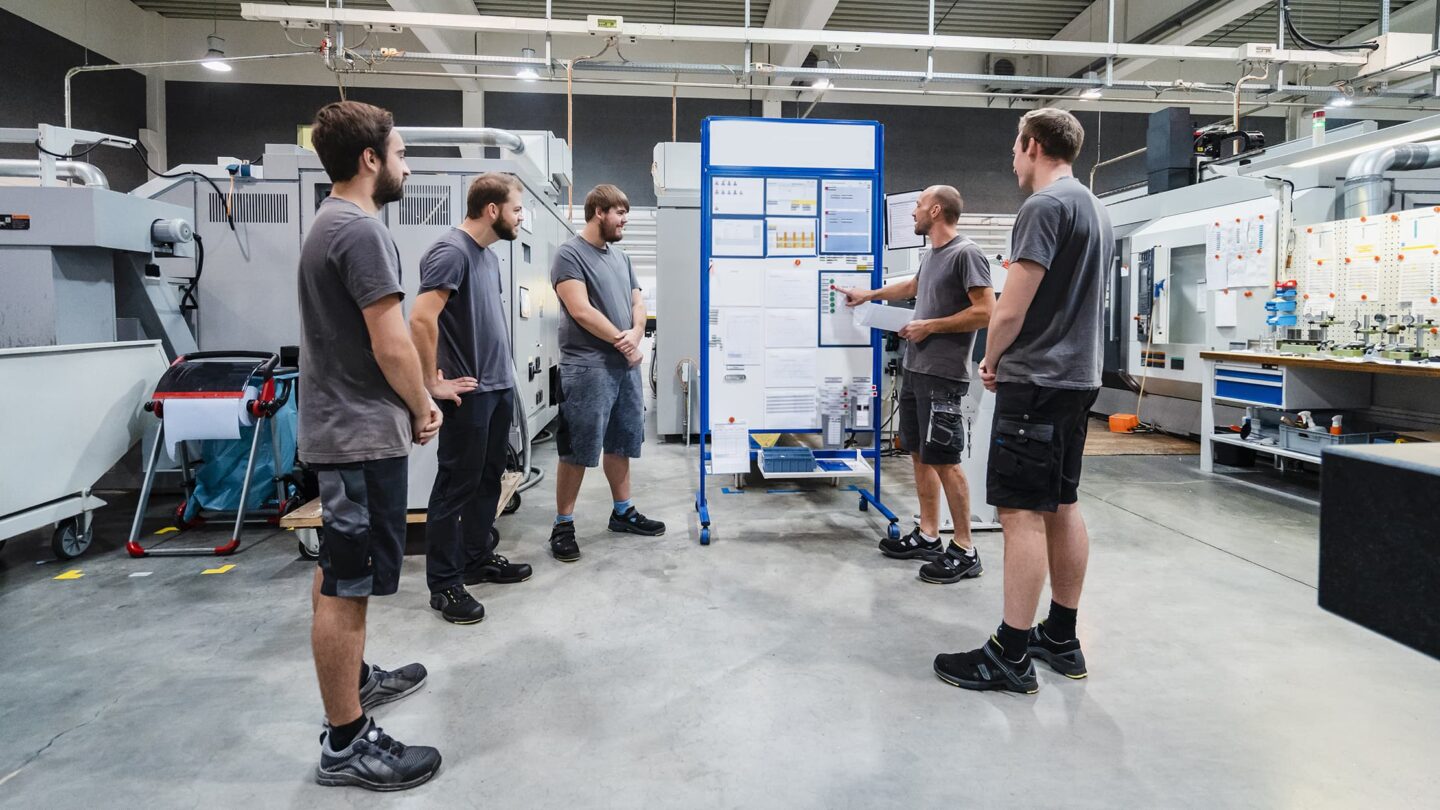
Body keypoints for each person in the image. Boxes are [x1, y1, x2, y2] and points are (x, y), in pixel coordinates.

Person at [933, 108, 1113, 695]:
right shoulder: (1093, 206)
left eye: (1015, 148)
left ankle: (1009, 653)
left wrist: (990, 359)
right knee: (1061, 503)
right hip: (1077, 379)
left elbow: (1011, 306)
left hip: (1036, 379)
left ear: (1032, 145)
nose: (1012, 160)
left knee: (1020, 513)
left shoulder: (1044, 205)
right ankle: (1060, 635)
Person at [299, 100, 443, 790]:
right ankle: (346, 741)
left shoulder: (331, 222)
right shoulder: (358, 231)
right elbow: (391, 342)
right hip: (357, 435)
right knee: (347, 584)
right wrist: (422, 403)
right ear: (370, 159)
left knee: (342, 572)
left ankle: (354, 681)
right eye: (402, 154)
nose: (406, 167)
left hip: (347, 429)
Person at [837, 185, 994, 583]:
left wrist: (930, 326)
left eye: (919, 205)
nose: (913, 213)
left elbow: (986, 311)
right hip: (917, 368)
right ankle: (928, 534)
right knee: (920, 454)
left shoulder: (966, 253)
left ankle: (965, 548)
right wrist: (869, 294)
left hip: (943, 374)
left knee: (945, 460)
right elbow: (912, 287)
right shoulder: (933, 255)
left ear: (936, 210)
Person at [410, 173, 533, 625]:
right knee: (455, 486)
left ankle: (476, 558)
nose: (521, 218)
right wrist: (432, 382)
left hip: (497, 388)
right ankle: (444, 584)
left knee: (488, 479)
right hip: (468, 393)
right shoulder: (451, 251)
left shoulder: (487, 257)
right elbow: (421, 319)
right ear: (492, 210)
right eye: (516, 210)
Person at [547, 184, 664, 562]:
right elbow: (580, 310)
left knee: (622, 442)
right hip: (587, 368)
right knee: (577, 449)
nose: (625, 220)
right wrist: (624, 342)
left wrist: (636, 333)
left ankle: (623, 512)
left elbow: (637, 302)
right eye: (620, 213)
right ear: (599, 211)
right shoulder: (569, 254)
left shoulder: (621, 258)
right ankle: (563, 524)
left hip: (623, 368)